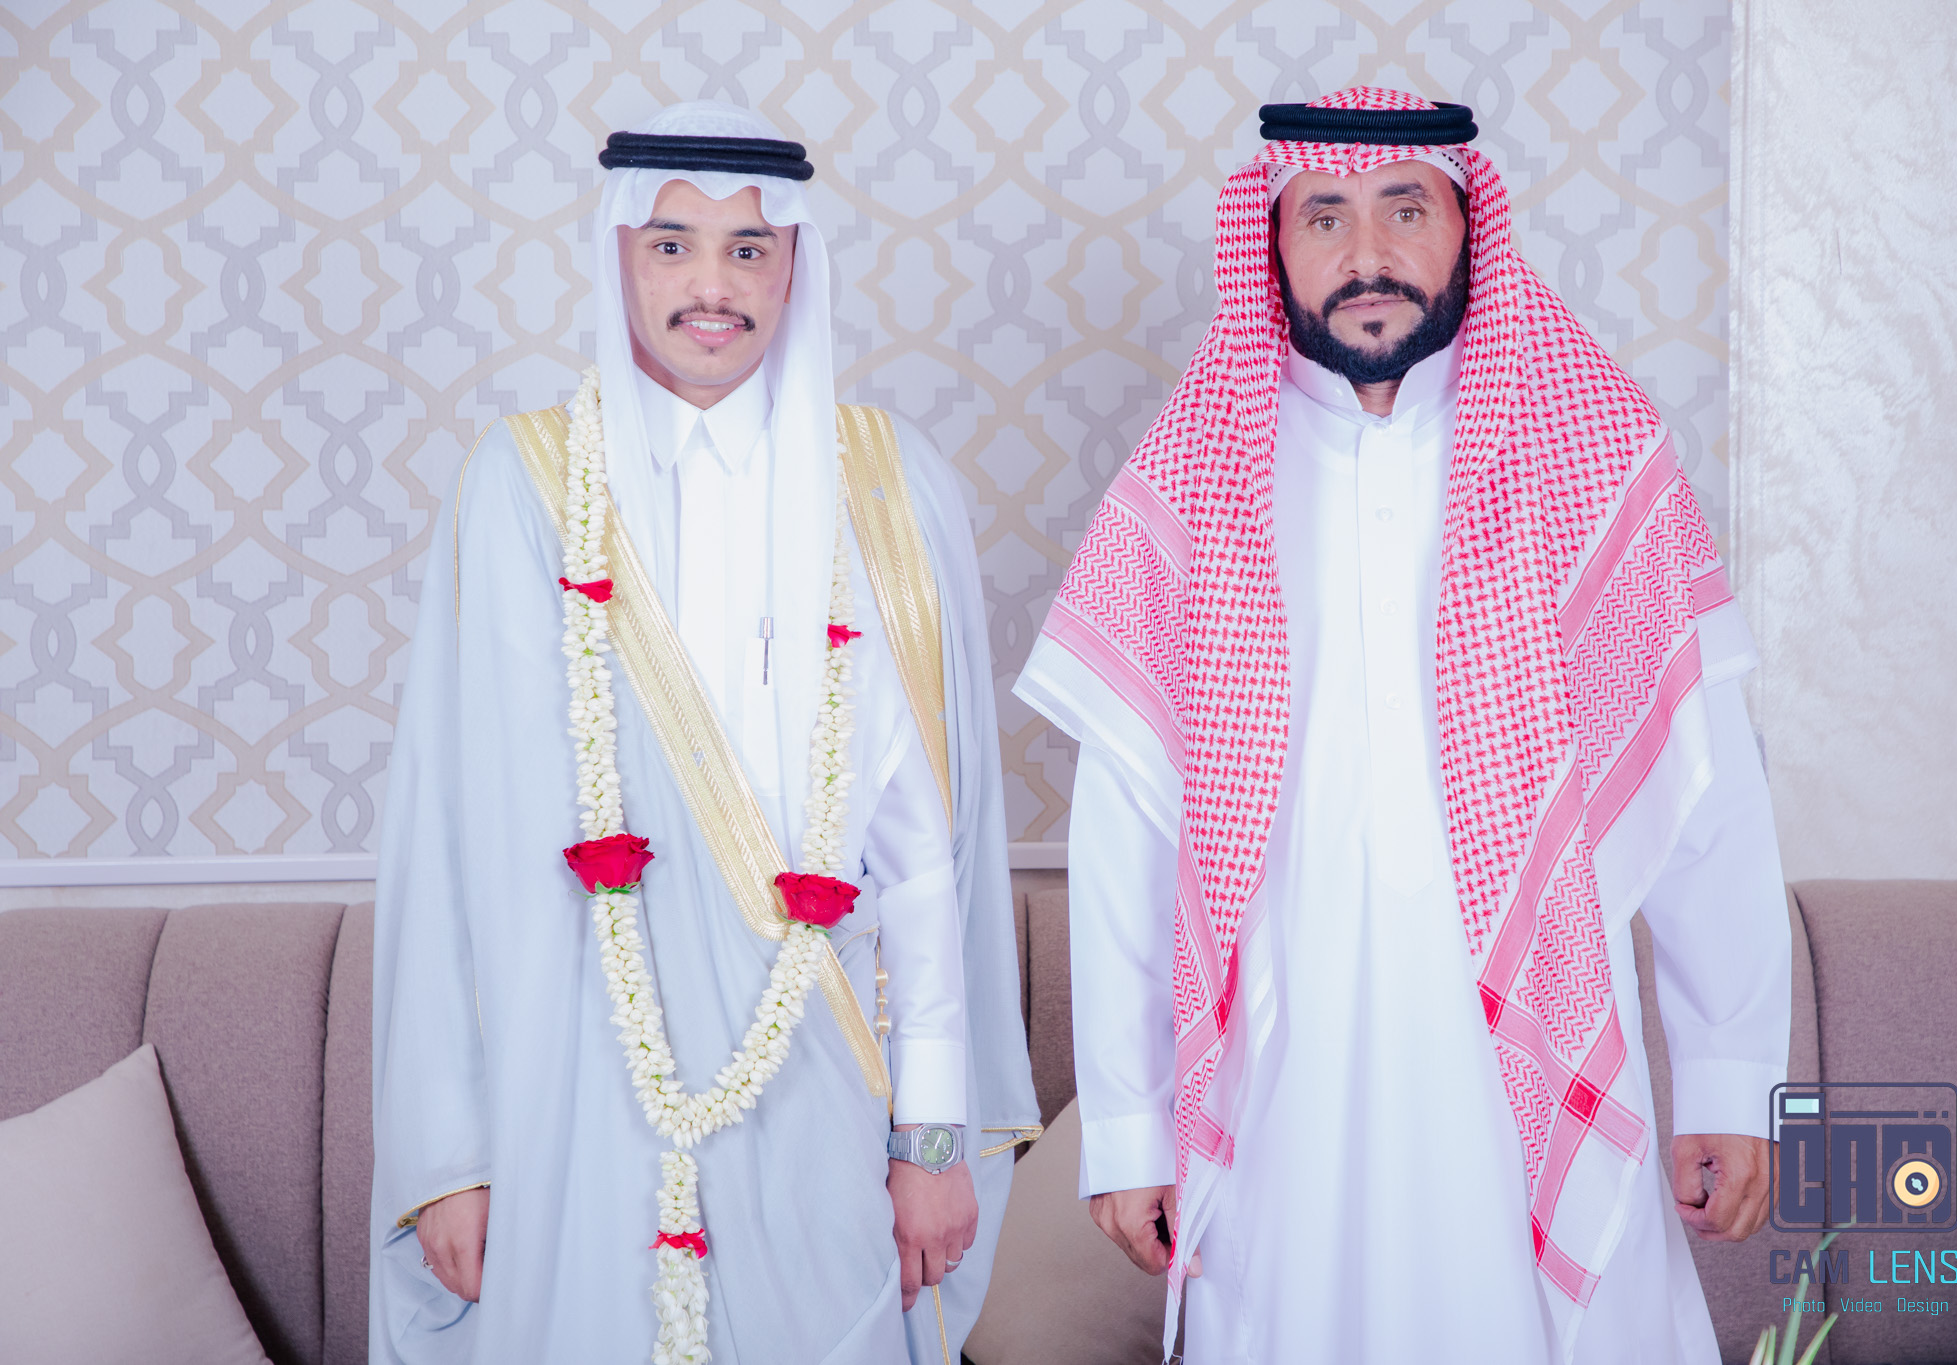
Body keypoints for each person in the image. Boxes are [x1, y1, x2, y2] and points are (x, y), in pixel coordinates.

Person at [1015, 87, 1790, 1364]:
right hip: (1286, 1083)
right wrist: (1127, 1126)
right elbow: (1122, 840)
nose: (1364, 252)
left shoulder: (1589, 456)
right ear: (1272, 246)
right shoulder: (1189, 481)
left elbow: (1705, 794)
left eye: (1403, 210)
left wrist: (1728, 1075)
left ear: (1467, 228)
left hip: (1533, 1051)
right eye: (1323, 215)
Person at [370, 100, 1036, 1365]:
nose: (711, 286)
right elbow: (451, 844)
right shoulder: (520, 487)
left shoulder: (887, 485)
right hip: (572, 1090)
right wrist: (450, 1159)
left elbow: (922, 857)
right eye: (671, 246)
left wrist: (931, 1140)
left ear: (795, 267)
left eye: (748, 248)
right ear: (617, 257)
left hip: (821, 1082)